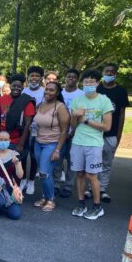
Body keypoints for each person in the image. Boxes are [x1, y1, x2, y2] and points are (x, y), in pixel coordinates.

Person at [70, 69, 113, 220]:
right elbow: (73, 125)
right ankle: (81, 203)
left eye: (92, 81)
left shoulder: (104, 100)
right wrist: (75, 116)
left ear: (97, 83)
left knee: (91, 176)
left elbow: (107, 127)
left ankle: (97, 206)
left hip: (94, 143)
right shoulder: (78, 101)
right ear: (82, 83)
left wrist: (87, 121)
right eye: (86, 81)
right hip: (77, 142)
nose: (89, 84)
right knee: (80, 174)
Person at [93, 63, 129, 202]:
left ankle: (102, 190)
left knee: (106, 163)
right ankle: (91, 188)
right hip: (94, 134)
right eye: (106, 71)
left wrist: (118, 136)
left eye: (112, 72)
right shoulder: (97, 88)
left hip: (111, 134)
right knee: (93, 162)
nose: (109, 73)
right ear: (102, 73)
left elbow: (121, 115)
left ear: (116, 74)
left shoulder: (121, 91)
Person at [32, 82, 70, 212]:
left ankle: (51, 199)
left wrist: (57, 150)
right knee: (43, 172)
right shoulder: (40, 105)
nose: (48, 92)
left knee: (44, 172)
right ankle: (44, 196)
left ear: (57, 92)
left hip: (52, 144)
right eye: (46, 89)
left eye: (51, 90)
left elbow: (65, 131)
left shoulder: (61, 107)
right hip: (38, 143)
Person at [53, 68, 84, 198]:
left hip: (75, 133)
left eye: (74, 77)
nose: (71, 79)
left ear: (77, 79)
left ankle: (68, 186)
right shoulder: (59, 93)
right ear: (65, 78)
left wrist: (72, 131)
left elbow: (82, 115)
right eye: (69, 76)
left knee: (72, 160)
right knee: (57, 159)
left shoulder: (82, 94)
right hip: (58, 132)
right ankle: (56, 184)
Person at [0, 73, 35, 153]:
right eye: (14, 86)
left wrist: (21, 144)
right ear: (10, 86)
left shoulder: (27, 101)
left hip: (16, 142)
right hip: (2, 139)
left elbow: (27, 125)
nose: (16, 88)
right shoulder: (3, 99)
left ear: (22, 88)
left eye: (19, 86)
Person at [0, 131, 24, 220]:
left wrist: (17, 163)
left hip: (11, 188)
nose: (3, 141)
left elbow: (20, 176)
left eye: (5, 139)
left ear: (9, 140)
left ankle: (5, 204)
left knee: (15, 215)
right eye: (0, 139)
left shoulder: (15, 155)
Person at [21, 66, 45, 195]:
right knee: (23, 154)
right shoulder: (23, 91)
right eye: (32, 76)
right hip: (23, 128)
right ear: (28, 78)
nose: (34, 78)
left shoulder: (44, 92)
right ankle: (23, 179)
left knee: (34, 155)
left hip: (38, 128)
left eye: (37, 76)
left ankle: (31, 181)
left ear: (41, 78)